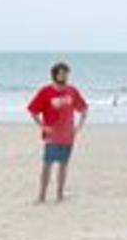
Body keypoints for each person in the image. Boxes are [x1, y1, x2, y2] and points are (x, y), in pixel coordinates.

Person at [27, 62, 89, 203]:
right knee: (47, 165)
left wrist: (78, 126)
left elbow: (84, 109)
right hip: (52, 136)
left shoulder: (72, 91)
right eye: (61, 73)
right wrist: (43, 126)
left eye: (66, 73)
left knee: (63, 165)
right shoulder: (46, 91)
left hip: (67, 136)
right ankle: (42, 196)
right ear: (55, 75)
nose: (64, 76)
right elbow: (32, 110)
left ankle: (59, 195)